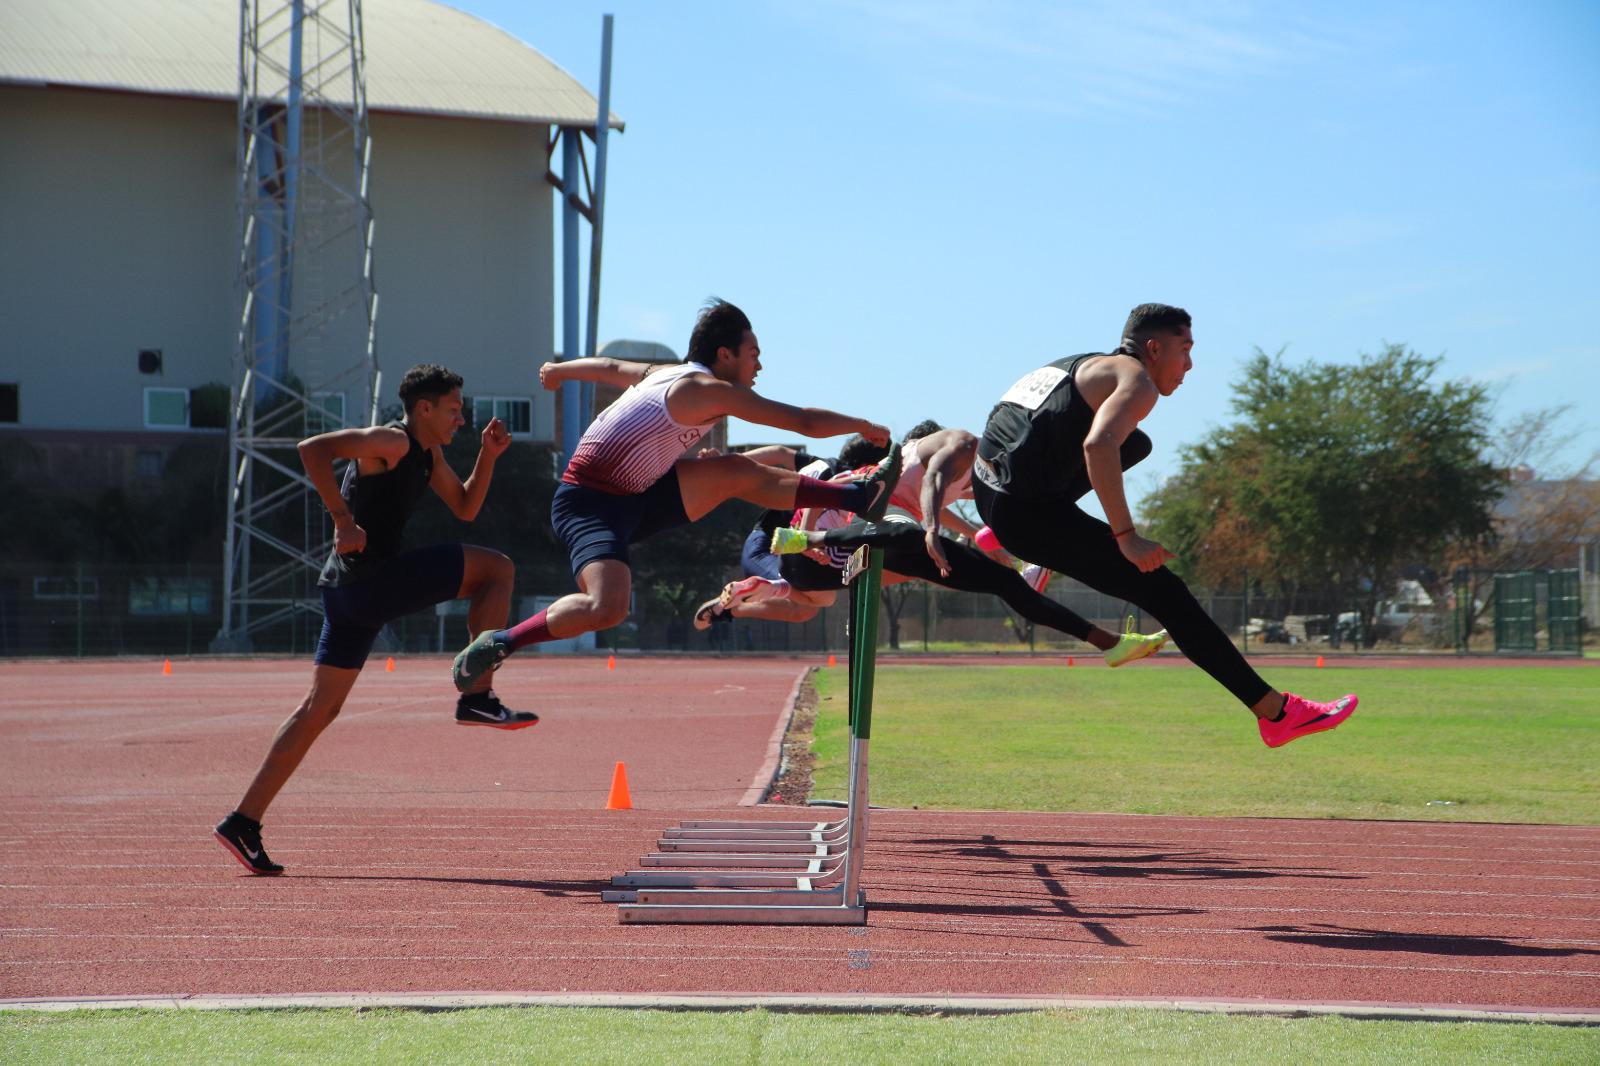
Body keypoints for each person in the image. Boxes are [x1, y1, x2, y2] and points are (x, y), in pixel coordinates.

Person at [451, 299, 902, 692]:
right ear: (725, 355)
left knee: (735, 470)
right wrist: (862, 424)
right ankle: (502, 641)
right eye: (753, 355)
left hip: (646, 490)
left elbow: (609, 369)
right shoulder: (702, 389)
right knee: (607, 607)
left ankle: (856, 497)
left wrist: (560, 370)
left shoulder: (666, 374)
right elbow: (801, 420)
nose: (759, 367)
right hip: (590, 503)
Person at [971, 303, 1358, 747]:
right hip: (1026, 512)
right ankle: (1276, 713)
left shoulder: (1079, 366)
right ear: (1153, 348)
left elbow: (1016, 425)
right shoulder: (1137, 383)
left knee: (1135, 444)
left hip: (993, 492)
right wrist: (1126, 537)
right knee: (1165, 592)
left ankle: (1016, 543)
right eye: (1185, 350)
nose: (1190, 365)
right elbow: (1097, 446)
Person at [214, 364, 531, 875]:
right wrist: (343, 520)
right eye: (453, 409)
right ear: (423, 409)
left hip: (346, 594)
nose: (461, 418)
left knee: (318, 710)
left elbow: (467, 506)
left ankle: (243, 821)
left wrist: (487, 457)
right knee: (497, 570)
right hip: (370, 582)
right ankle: (477, 696)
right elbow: (311, 450)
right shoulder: (393, 441)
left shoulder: (427, 453)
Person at [690, 434, 888, 629]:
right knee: (824, 597)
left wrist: (725, 462)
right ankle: (752, 593)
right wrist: (806, 536)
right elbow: (821, 504)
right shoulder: (852, 484)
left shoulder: (821, 463)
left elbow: (779, 452)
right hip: (768, 549)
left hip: (773, 543)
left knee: (806, 609)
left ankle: (729, 609)